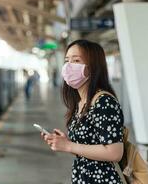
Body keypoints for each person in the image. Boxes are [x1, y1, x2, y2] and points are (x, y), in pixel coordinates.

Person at [40, 39, 124, 184]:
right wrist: (64, 142)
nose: (68, 66)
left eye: (76, 60)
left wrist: (69, 145)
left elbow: (115, 152)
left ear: (92, 67)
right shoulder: (81, 102)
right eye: (67, 60)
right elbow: (88, 148)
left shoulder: (104, 102)